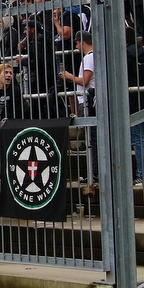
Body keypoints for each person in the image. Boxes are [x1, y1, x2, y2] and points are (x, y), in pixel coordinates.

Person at [60, 31, 97, 181]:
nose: (76, 46)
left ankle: (94, 173)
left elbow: (85, 81)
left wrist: (69, 76)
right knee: (92, 138)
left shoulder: (89, 57)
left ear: (82, 41)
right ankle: (94, 172)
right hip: (89, 100)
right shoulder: (94, 56)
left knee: (92, 139)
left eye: (76, 43)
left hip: (88, 101)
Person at [127, 27, 144, 185]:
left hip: (132, 101)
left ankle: (143, 174)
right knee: (140, 138)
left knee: (137, 139)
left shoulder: (126, 55)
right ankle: (143, 172)